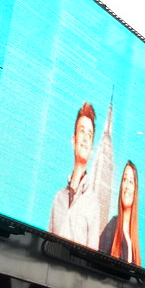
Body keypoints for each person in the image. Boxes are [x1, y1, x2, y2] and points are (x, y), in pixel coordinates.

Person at [49, 103, 101, 248]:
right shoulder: (58, 198)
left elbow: (92, 254)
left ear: (92, 149)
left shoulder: (93, 204)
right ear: (74, 140)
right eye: (82, 131)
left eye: (89, 135)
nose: (85, 139)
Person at [99, 161, 142, 265]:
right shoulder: (112, 226)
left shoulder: (134, 238)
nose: (127, 186)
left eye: (131, 182)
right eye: (124, 180)